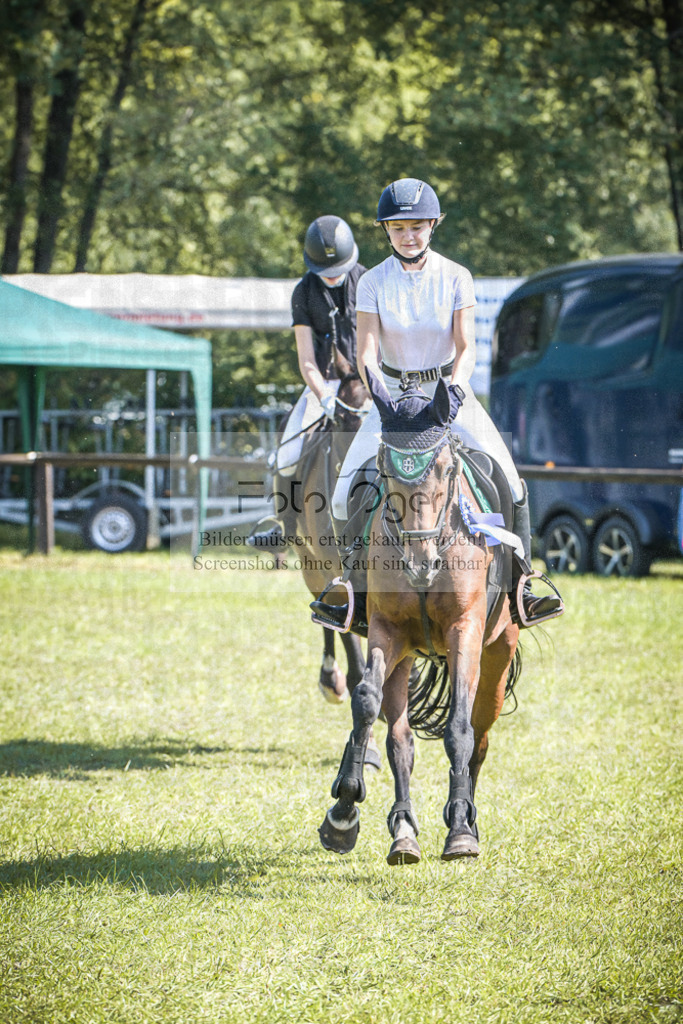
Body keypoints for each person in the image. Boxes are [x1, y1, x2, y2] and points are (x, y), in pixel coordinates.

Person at [310, 178, 563, 627]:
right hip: (390, 400)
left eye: (418, 226)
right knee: (341, 493)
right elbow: (367, 351)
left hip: (446, 393)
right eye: (398, 227)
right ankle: (351, 591)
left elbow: (466, 347)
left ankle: (523, 586)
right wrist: (380, 397)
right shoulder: (371, 282)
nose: (409, 235)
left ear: (433, 225)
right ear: (385, 230)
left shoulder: (456, 276)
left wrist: (458, 390)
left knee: (512, 481)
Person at [248, 215, 366, 547]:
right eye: (325, 272)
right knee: (287, 452)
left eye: (338, 270)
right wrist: (322, 394)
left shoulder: (369, 282)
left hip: (369, 383)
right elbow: (305, 358)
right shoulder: (303, 291)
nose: (332, 278)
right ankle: (283, 527)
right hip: (325, 384)